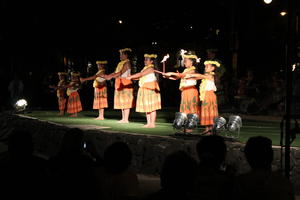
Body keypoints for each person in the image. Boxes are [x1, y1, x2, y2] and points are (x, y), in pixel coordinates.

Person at [163, 53, 200, 133]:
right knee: (184, 109)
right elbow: (177, 77)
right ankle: (185, 127)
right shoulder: (186, 69)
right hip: (185, 91)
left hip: (191, 91)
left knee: (191, 108)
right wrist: (168, 76)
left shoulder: (193, 70)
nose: (184, 62)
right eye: (184, 61)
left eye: (186, 61)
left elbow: (182, 75)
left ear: (191, 62)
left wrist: (171, 73)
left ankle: (190, 128)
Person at [126, 54, 161, 128]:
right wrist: (132, 78)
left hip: (150, 88)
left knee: (152, 107)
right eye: (144, 59)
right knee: (147, 106)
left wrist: (131, 76)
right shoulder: (145, 68)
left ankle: (152, 123)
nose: (145, 61)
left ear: (151, 61)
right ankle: (148, 123)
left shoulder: (151, 68)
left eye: (147, 59)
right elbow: (140, 76)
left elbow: (141, 74)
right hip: (145, 88)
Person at [185, 59, 220, 134]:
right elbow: (198, 77)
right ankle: (208, 129)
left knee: (210, 111)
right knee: (206, 111)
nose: (205, 68)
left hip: (209, 95)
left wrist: (192, 75)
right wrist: (189, 76)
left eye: (207, 67)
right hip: (206, 96)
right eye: (205, 67)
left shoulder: (210, 75)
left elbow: (200, 76)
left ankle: (211, 129)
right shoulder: (206, 76)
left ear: (212, 68)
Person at [103, 48, 135, 123]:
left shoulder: (127, 63)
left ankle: (126, 119)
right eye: (120, 54)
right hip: (119, 82)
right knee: (121, 100)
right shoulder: (120, 63)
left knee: (126, 101)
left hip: (125, 82)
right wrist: (108, 75)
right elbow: (115, 72)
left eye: (121, 54)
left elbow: (120, 73)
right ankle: (123, 118)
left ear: (126, 55)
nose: (120, 56)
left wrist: (110, 77)